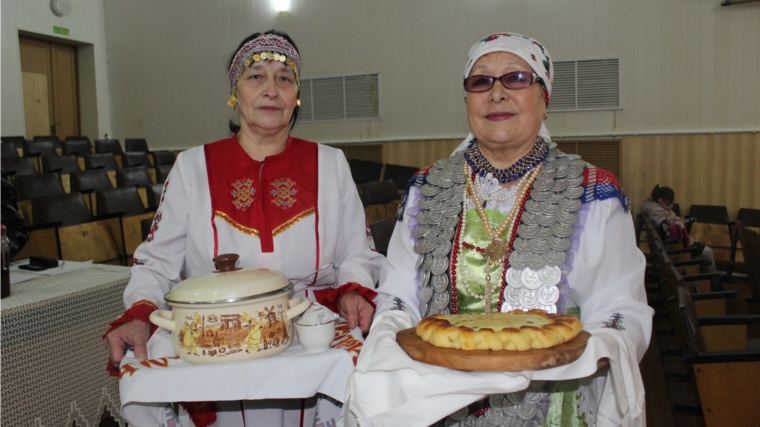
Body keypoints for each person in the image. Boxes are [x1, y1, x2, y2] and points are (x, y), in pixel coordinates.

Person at [349, 33, 653, 426]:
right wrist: (387, 348)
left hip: (554, 404)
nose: (496, 93)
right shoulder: (427, 189)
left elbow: (620, 308)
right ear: (466, 101)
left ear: (546, 97)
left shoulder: (592, 194)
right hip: (438, 401)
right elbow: (398, 295)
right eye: (480, 81)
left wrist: (570, 355)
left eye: (516, 78)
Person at [102, 29, 383, 426]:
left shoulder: (330, 164)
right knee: (143, 375)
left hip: (309, 330)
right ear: (235, 92)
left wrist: (354, 291)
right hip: (214, 334)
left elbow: (357, 251)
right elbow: (156, 263)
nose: (271, 89)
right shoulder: (193, 167)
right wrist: (138, 313)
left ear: (296, 95)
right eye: (256, 76)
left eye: (284, 78)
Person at [641, 184, 715, 272]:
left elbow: (668, 223)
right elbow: (666, 231)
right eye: (670, 202)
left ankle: (714, 280)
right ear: (661, 200)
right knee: (708, 252)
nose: (672, 205)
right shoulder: (656, 212)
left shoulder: (659, 209)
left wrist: (679, 221)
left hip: (676, 243)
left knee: (708, 252)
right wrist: (679, 223)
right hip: (676, 245)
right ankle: (715, 282)